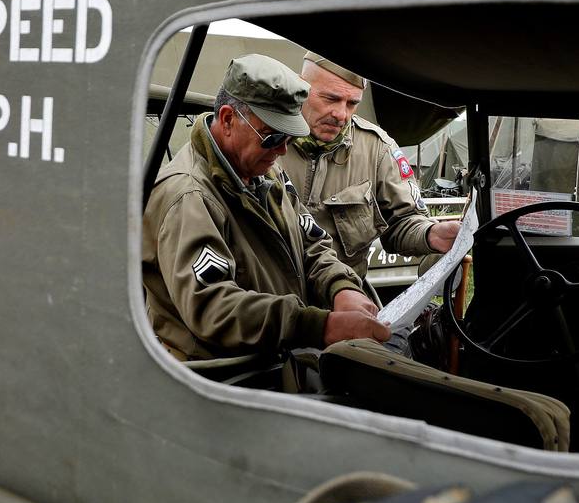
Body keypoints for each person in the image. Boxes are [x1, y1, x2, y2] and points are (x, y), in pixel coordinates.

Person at [143, 54, 391, 361]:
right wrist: (316, 325)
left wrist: (341, 288)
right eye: (272, 137)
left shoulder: (263, 170)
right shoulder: (188, 196)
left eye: (289, 137)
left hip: (275, 359)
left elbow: (311, 243)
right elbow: (213, 308)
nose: (282, 150)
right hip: (224, 375)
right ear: (228, 119)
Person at [279, 52, 461, 289]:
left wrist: (431, 234)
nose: (341, 114)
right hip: (268, 301)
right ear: (300, 86)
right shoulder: (266, 137)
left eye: (352, 103)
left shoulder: (377, 150)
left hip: (343, 299)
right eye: (330, 98)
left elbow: (402, 220)